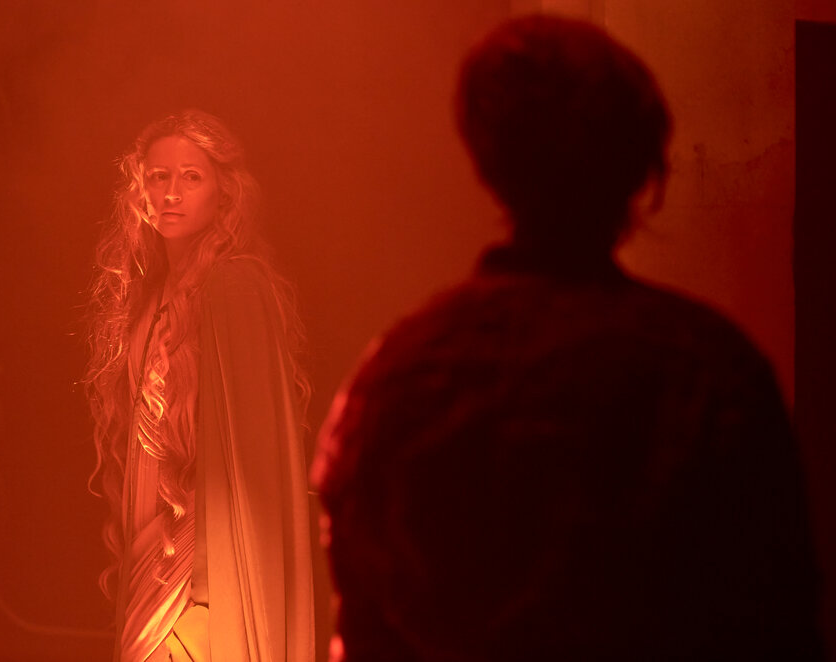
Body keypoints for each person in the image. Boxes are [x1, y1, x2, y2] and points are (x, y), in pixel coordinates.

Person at [313, 15, 823, 662]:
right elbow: (775, 622)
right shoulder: (710, 371)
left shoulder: (398, 378)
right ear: (641, 169)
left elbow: (365, 628)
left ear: (486, 159)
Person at [85, 110, 315, 662]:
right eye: (158, 177)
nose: (171, 193)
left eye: (191, 177)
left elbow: (251, 461)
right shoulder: (148, 299)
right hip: (152, 553)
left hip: (206, 569)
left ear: (224, 192)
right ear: (139, 190)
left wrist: (214, 589)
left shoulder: (235, 286)